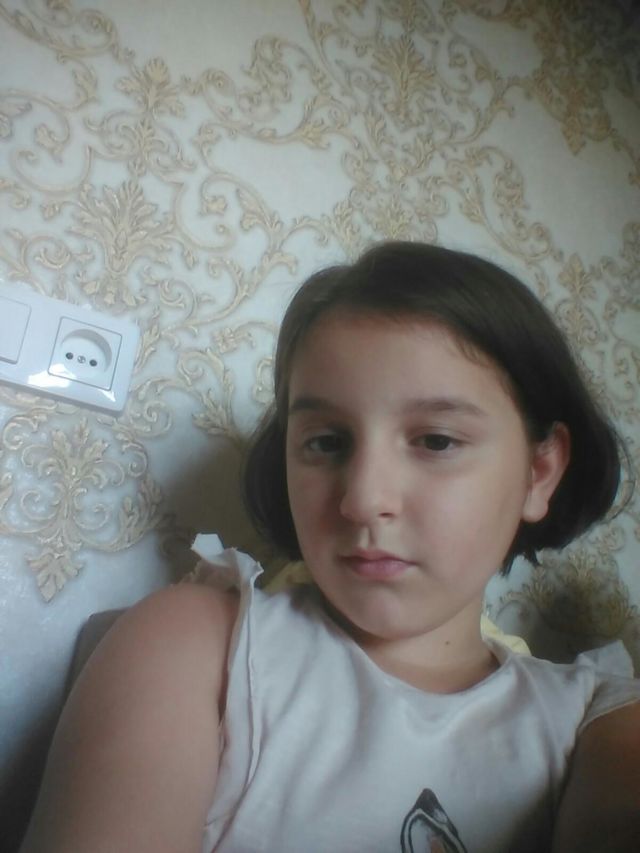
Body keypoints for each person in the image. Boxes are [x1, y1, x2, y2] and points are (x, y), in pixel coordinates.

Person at [20, 242, 640, 853]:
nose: (362, 500)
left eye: (436, 441)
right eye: (326, 442)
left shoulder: (595, 716)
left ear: (539, 473)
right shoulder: (204, 648)